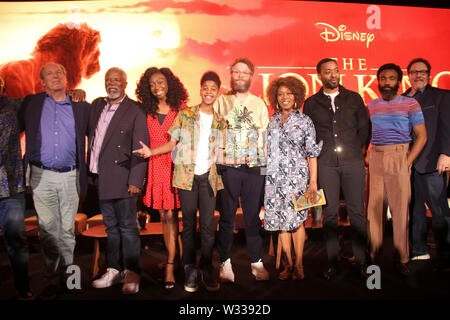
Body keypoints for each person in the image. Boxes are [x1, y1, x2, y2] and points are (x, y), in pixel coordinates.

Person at [134, 71, 226, 292]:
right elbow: (172, 143)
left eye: (213, 89)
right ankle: (190, 270)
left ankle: (206, 268)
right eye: (205, 88)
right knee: (186, 228)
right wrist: (151, 152)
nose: (209, 92)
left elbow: (222, 151)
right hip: (186, 178)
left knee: (206, 228)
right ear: (200, 89)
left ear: (218, 92)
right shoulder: (185, 114)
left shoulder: (221, 121)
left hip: (209, 179)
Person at [18, 62, 90, 298]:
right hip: (41, 176)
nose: (56, 76)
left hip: (71, 175)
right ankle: (51, 276)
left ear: (67, 77)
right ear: (42, 81)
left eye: (60, 72)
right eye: (50, 73)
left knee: (67, 231)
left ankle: (70, 280)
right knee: (47, 231)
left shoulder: (81, 107)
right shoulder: (31, 103)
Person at [303, 58, 371, 281]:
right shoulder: (311, 103)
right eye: (328, 71)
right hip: (326, 163)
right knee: (330, 214)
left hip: (353, 161)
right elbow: (310, 135)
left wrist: (357, 152)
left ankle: (363, 261)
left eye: (336, 70)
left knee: (357, 213)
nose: (333, 75)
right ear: (319, 76)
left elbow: (364, 128)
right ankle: (333, 262)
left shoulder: (354, 98)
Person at [89, 67, 148, 294]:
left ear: (124, 83)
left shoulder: (134, 110)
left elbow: (140, 148)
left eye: (116, 80)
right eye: (108, 80)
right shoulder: (97, 106)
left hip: (124, 179)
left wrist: (136, 179)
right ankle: (114, 270)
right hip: (101, 178)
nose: (111, 83)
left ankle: (132, 273)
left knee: (128, 228)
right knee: (111, 229)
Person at [367, 63, 427, 276]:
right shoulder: (372, 105)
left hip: (399, 156)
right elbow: (370, 133)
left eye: (391, 78)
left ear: (399, 81)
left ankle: (402, 258)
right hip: (377, 158)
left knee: (400, 211)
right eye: (383, 78)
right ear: (378, 81)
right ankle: (373, 256)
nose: (386, 83)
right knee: (374, 209)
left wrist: (408, 161)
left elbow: (422, 136)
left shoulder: (410, 104)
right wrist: (369, 151)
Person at [214, 57, 270, 282]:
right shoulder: (220, 101)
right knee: (227, 216)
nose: (239, 76)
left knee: (253, 217)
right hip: (228, 167)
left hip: (254, 167)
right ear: (231, 74)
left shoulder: (259, 104)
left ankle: (257, 262)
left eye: (244, 72)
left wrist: (265, 170)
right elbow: (214, 133)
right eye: (236, 72)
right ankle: (225, 263)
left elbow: (265, 138)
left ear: (251, 76)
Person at [264, 76, 322, 280]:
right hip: (274, 180)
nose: (285, 97)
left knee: (297, 222)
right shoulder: (271, 121)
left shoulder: (305, 121)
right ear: (275, 98)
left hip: (298, 178)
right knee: (281, 223)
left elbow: (312, 154)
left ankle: (299, 265)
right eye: (280, 94)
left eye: (289, 93)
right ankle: (288, 264)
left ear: (296, 95)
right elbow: (267, 152)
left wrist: (313, 183)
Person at [135, 67, 188, 290]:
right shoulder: (145, 110)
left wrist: (153, 152)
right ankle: (172, 259)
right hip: (155, 167)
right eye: (152, 84)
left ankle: (170, 265)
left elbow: (177, 142)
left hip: (175, 166)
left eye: (161, 82)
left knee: (172, 216)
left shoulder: (181, 110)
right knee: (163, 216)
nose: (157, 87)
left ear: (170, 84)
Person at [403, 58, 450, 272]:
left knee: (440, 212)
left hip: (433, 163)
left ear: (429, 74)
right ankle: (419, 250)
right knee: (414, 210)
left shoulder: (441, 97)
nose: (418, 75)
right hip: (408, 165)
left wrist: (446, 153)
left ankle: (446, 254)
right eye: (414, 72)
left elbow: (447, 128)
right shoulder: (400, 99)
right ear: (409, 75)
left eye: (422, 72)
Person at [0, 76, 33, 299]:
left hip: (11, 186)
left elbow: (43, 101)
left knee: (16, 239)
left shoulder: (17, 105)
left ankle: (23, 288)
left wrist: (73, 94)